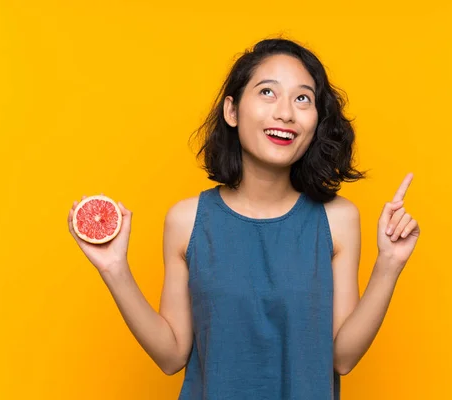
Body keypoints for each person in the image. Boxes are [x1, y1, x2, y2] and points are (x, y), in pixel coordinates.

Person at [68, 38, 420, 400]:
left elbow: (342, 358)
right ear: (232, 111)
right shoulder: (187, 220)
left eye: (303, 98)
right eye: (267, 92)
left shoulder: (338, 219)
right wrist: (114, 269)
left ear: (316, 121)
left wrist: (389, 264)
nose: (286, 112)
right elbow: (171, 355)